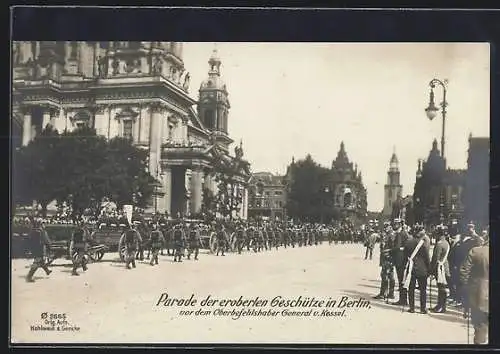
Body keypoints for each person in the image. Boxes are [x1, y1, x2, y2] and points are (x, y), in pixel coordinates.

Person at [460, 236, 489, 344]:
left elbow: (464, 273)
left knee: (480, 329)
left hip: (479, 296)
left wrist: (465, 294)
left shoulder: (476, 251)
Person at [403, 230, 431, 314]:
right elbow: (427, 258)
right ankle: (423, 308)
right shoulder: (423, 243)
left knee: (411, 289)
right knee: (423, 289)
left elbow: (405, 256)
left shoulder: (408, 243)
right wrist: (429, 270)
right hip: (422, 269)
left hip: (411, 268)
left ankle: (412, 308)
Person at [430, 225, 451, 313]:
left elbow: (435, 258)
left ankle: (441, 306)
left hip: (440, 268)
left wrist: (431, 270)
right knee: (442, 287)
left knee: (441, 288)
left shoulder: (439, 244)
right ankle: (441, 306)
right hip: (444, 267)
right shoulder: (445, 242)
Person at [374, 225, 396, 300]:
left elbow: (393, 247)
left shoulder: (391, 235)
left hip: (388, 258)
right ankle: (390, 293)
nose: (385, 228)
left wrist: (388, 254)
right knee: (390, 275)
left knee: (385, 275)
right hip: (386, 257)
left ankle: (383, 293)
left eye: (386, 227)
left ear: (390, 227)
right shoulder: (389, 235)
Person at [391, 219, 410, 306]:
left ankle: (403, 300)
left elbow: (397, 247)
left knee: (401, 280)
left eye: (396, 224)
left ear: (399, 225)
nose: (394, 225)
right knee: (402, 280)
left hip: (400, 260)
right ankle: (403, 299)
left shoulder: (400, 234)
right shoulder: (404, 233)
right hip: (403, 259)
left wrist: (391, 250)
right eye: (394, 224)